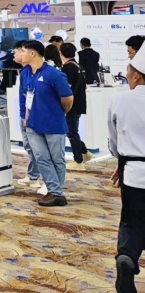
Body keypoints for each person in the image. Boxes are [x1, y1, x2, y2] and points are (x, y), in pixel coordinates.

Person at [20, 40, 74, 207]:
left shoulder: (54, 74)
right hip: (33, 124)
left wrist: (59, 113)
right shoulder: (25, 73)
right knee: (41, 158)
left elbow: (68, 99)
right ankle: (55, 192)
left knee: (57, 159)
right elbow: (27, 97)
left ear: (32, 53)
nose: (20, 54)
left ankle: (56, 192)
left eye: (23, 51)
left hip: (53, 124)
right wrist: (26, 118)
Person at [109, 50, 145, 293]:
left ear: (136, 76)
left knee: (131, 220)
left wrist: (122, 158)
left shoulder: (119, 100)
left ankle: (127, 256)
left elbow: (113, 141)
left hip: (132, 172)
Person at [14, 41, 43, 191]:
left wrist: (27, 117)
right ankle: (32, 175)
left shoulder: (33, 72)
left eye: (17, 52)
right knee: (29, 147)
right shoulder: (25, 72)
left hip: (29, 115)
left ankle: (35, 177)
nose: (15, 55)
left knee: (35, 148)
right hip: (24, 113)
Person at [60, 42, 92, 170]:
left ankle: (78, 161)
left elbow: (66, 88)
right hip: (79, 102)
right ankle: (85, 152)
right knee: (72, 131)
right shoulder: (78, 66)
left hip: (72, 104)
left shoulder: (68, 67)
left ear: (61, 53)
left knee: (72, 133)